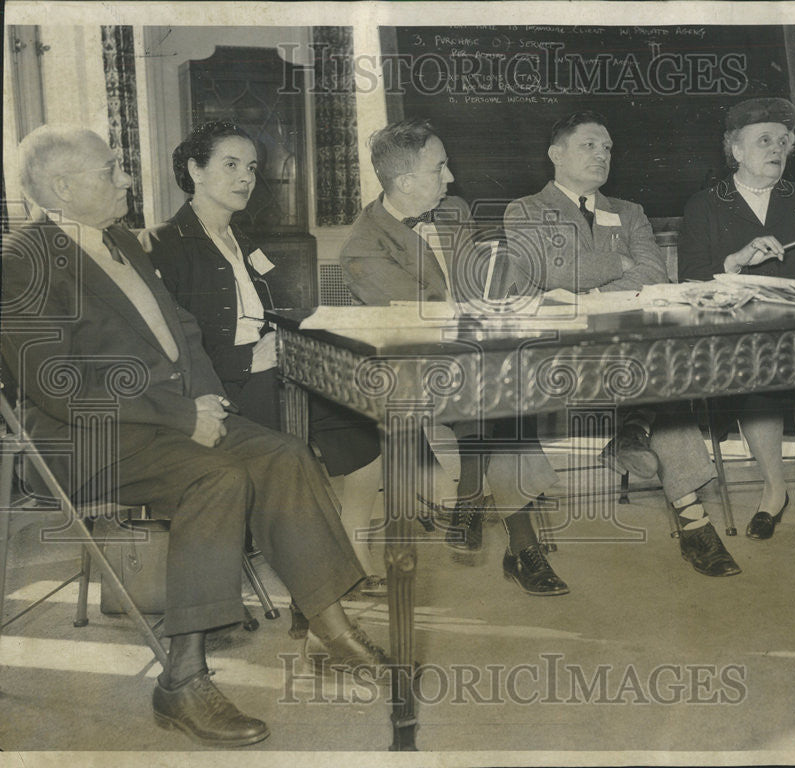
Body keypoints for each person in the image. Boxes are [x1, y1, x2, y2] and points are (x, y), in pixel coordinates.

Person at [1, 125, 390, 748]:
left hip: (170, 418)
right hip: (89, 441)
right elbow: (58, 383)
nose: (126, 178)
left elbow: (182, 328)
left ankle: (329, 628)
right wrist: (184, 418)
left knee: (286, 454)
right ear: (62, 186)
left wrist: (211, 402)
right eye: (110, 170)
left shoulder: (119, 240)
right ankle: (182, 678)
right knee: (219, 477)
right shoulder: (21, 260)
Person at [141, 121, 386, 597]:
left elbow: (273, 315)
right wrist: (246, 362)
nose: (245, 178)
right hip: (222, 389)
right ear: (194, 170)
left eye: (251, 168)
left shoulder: (245, 242)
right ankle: (317, 579)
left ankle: (355, 551)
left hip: (279, 369)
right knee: (294, 445)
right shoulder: (163, 244)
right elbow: (169, 348)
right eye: (230, 165)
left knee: (363, 423)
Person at [504, 110, 741, 577]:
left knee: (667, 369)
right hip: (558, 351)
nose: (602, 156)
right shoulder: (525, 210)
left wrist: (588, 284)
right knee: (659, 377)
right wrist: (618, 263)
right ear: (556, 154)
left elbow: (655, 273)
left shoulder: (629, 211)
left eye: (608, 148)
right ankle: (635, 430)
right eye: (590, 145)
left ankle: (692, 519)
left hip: (629, 347)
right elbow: (540, 277)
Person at [341, 117, 570, 595]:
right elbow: (428, 322)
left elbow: (480, 285)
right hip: (414, 370)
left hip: (475, 358)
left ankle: (473, 499)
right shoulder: (362, 247)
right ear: (404, 182)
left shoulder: (455, 210)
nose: (451, 178)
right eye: (440, 168)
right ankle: (510, 534)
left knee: (500, 387)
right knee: (502, 394)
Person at [678, 97, 795, 543]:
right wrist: (735, 261)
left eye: (783, 142)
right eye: (764, 140)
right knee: (755, 372)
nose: (777, 149)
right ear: (735, 150)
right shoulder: (705, 205)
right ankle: (774, 491)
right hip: (739, 335)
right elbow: (690, 283)